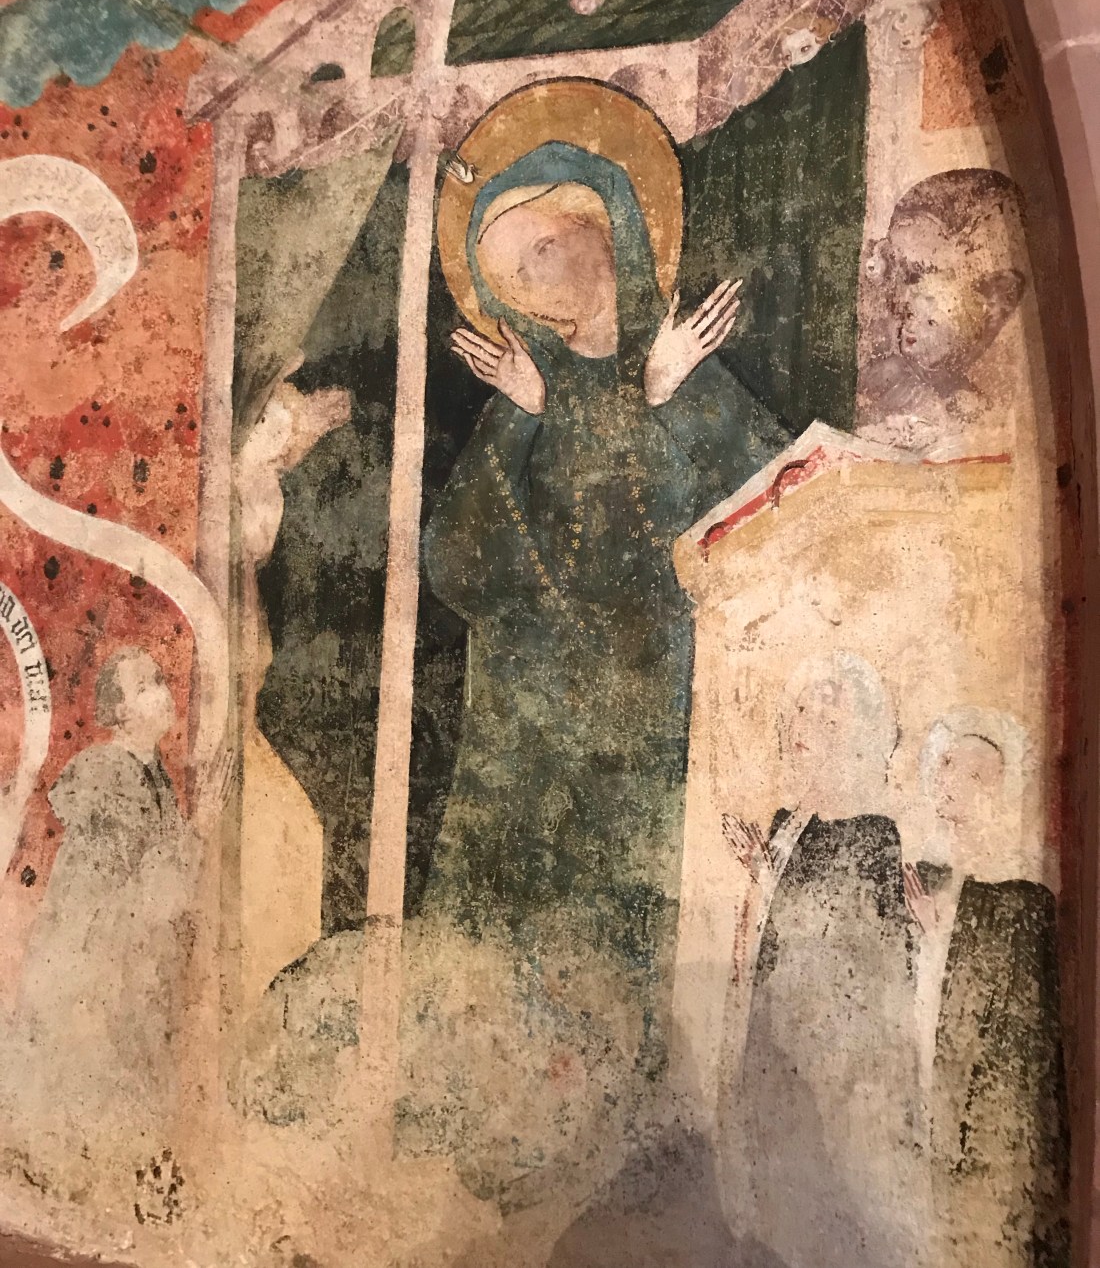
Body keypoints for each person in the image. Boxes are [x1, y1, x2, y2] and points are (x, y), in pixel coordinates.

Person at [398, 85, 789, 1209]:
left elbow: (757, 534)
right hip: (528, 741)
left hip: (654, 725)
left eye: (542, 250)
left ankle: (635, 1160)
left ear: (608, 229)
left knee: (633, 934)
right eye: (507, 276)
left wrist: (663, 399)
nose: (529, 288)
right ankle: (504, 1134)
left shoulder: (686, 379)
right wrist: (523, 418)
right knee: (517, 937)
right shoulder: (524, 396)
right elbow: (458, 567)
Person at [718, 651, 926, 1268]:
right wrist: (762, 872)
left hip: (834, 1061)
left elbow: (874, 967)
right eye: (802, 711)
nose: (806, 727)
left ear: (859, 739)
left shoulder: (873, 833)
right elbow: (771, 937)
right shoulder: (788, 824)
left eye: (829, 719)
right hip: (770, 1038)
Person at [9, 648, 216, 1185]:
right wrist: (199, 834)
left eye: (162, 681)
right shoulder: (108, 776)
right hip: (90, 980)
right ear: (120, 710)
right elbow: (138, 899)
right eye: (147, 685)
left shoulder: (151, 774)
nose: (164, 693)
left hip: (124, 976)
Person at [913, 710, 1069, 1268]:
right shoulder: (924, 875)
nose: (948, 779)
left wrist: (942, 936)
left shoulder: (1022, 896)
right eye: (945, 764)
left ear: (995, 790)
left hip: (981, 1118)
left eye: (969, 772)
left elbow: (1019, 1044)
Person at [858, 169, 1027, 455]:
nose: (903, 299)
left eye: (916, 272)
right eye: (896, 266)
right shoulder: (889, 370)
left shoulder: (970, 396)